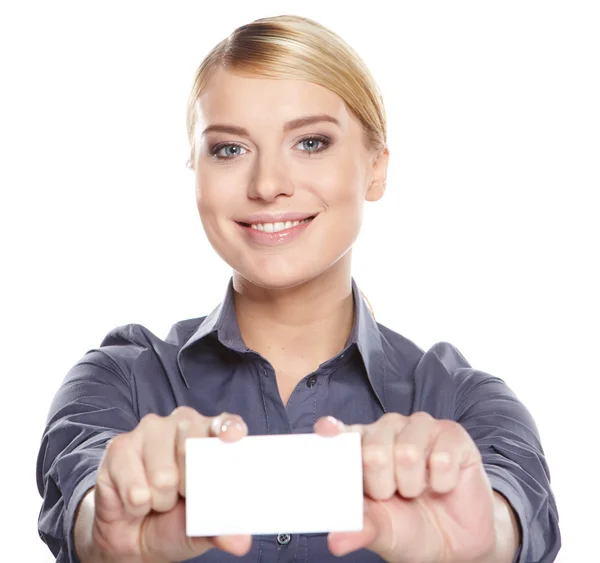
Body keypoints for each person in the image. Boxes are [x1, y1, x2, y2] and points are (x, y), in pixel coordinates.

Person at [36, 14, 560, 563]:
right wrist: (105, 534)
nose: (268, 185)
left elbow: (515, 507)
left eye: (311, 142)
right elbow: (84, 504)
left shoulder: (464, 404)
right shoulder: (120, 382)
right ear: (195, 170)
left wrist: (487, 543)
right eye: (229, 149)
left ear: (376, 168)